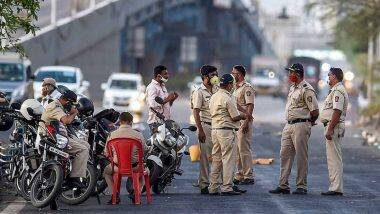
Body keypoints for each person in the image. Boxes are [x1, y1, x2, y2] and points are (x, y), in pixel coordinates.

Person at [269, 63, 319, 195]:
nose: (289, 75)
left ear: (297, 74)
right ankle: (283, 185)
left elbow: (315, 111)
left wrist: (308, 122)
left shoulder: (306, 89)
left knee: (301, 156)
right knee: (285, 154)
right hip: (289, 125)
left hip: (301, 125)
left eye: (291, 73)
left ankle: (301, 186)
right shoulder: (292, 88)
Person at [41, 90, 90, 188]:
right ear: (67, 101)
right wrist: (74, 113)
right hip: (52, 137)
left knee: (86, 145)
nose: (72, 106)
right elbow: (66, 120)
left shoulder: (60, 105)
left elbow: (71, 111)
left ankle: (73, 168)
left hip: (60, 135)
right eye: (71, 104)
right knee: (83, 150)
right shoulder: (55, 107)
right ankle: (73, 178)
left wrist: (74, 110)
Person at [208, 74, 247, 196]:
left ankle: (213, 187)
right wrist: (243, 116)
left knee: (217, 159)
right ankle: (227, 187)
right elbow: (234, 116)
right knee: (228, 160)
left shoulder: (214, 96)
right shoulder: (227, 98)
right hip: (226, 131)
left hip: (215, 130)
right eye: (232, 84)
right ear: (229, 84)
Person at [103, 112, 147, 204]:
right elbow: (144, 150)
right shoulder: (138, 135)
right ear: (131, 122)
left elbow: (107, 153)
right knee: (145, 171)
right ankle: (136, 193)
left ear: (120, 121)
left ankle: (115, 194)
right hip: (135, 167)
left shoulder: (112, 135)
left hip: (117, 167)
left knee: (106, 172)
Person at [320, 67, 348, 196]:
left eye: (329, 75)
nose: (328, 78)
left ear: (335, 77)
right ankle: (335, 186)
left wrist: (330, 128)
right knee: (333, 158)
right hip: (333, 126)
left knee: (334, 159)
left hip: (334, 127)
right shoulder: (335, 90)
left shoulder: (338, 91)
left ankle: (336, 188)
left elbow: (337, 111)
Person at [192, 65, 219, 194]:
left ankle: (219, 183)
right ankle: (204, 184)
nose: (216, 77)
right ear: (205, 77)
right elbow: (196, 112)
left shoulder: (218, 89)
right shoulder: (199, 92)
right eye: (213, 74)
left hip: (218, 127)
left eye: (216, 74)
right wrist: (200, 130)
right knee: (205, 157)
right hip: (206, 127)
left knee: (219, 156)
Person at [231, 65, 255, 185]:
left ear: (239, 74)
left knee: (244, 149)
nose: (232, 74)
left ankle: (248, 175)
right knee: (238, 149)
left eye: (234, 73)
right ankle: (240, 175)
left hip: (244, 121)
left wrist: (246, 122)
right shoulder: (235, 88)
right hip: (236, 121)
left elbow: (250, 105)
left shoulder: (247, 88)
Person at [146, 65, 178, 133]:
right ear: (159, 76)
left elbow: (166, 105)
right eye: (165, 74)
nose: (168, 76)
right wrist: (167, 99)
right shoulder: (152, 87)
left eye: (167, 73)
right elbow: (152, 104)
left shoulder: (162, 86)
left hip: (165, 122)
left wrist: (172, 99)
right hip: (156, 123)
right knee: (159, 143)